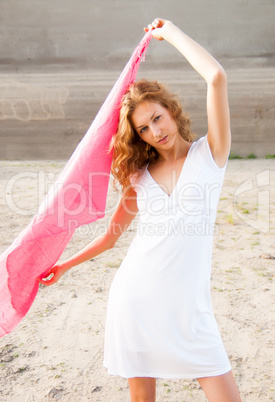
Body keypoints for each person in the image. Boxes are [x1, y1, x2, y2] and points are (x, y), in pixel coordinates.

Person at [40, 18, 242, 402]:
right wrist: (64, 265)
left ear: (170, 109)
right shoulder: (140, 177)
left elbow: (216, 77)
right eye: (144, 129)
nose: (155, 131)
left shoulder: (211, 153)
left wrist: (170, 33)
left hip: (189, 311)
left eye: (157, 118)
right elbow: (110, 238)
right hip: (136, 299)